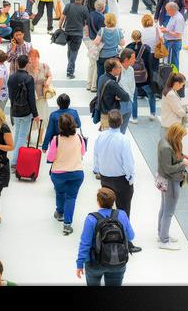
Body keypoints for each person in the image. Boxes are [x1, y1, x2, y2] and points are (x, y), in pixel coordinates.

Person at [93, 110, 141, 253]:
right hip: (121, 181)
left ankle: (105, 237)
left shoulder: (100, 137)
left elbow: (96, 157)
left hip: (105, 179)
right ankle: (126, 242)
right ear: (120, 122)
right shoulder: (123, 140)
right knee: (124, 211)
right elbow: (128, 163)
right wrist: (130, 178)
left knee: (107, 210)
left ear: (108, 121)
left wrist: (97, 171)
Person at [76, 187, 135, 286]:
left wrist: (80, 264)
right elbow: (131, 236)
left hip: (95, 263)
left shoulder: (91, 219)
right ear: (113, 201)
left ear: (98, 201)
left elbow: (85, 244)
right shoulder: (121, 214)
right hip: (118, 261)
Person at [157, 124, 188, 250]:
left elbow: (173, 156)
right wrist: (184, 163)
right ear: (176, 135)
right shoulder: (166, 147)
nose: (181, 139)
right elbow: (168, 168)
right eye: (181, 136)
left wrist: (184, 156)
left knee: (164, 208)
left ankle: (161, 234)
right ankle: (164, 240)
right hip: (170, 181)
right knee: (168, 212)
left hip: (166, 180)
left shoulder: (166, 140)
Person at [46, 114, 85, 235]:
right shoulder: (79, 138)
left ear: (60, 127)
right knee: (71, 197)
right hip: (76, 172)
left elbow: (50, 158)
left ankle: (59, 212)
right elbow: (82, 153)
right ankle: (67, 225)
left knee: (60, 192)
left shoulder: (56, 139)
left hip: (58, 174)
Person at [7, 55, 40, 163]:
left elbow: (10, 96)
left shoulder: (11, 78)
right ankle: (15, 162)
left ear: (17, 64)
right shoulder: (29, 79)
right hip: (26, 112)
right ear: (26, 65)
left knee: (17, 133)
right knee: (22, 136)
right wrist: (35, 114)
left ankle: (14, 156)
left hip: (15, 110)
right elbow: (31, 98)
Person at [126, 31, 156, 123]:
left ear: (131, 37)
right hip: (144, 77)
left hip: (132, 78)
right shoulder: (146, 48)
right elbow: (149, 64)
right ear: (141, 37)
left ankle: (134, 118)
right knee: (151, 95)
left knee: (133, 98)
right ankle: (152, 113)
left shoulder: (128, 48)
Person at [59, 0, 88, 79]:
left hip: (68, 33)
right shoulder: (84, 9)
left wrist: (60, 27)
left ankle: (70, 65)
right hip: (78, 34)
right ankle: (70, 71)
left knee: (70, 50)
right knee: (74, 52)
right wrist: (87, 33)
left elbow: (62, 18)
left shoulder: (68, 6)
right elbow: (87, 23)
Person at [96, 59, 131, 131]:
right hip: (110, 115)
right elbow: (126, 97)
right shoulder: (112, 83)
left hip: (103, 112)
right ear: (113, 69)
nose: (121, 69)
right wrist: (119, 98)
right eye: (119, 67)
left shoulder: (102, 77)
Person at [26, 49, 52, 146]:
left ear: (38, 57)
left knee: (42, 118)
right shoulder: (26, 68)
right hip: (30, 98)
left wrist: (47, 82)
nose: (33, 60)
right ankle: (27, 137)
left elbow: (50, 76)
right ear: (29, 59)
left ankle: (40, 138)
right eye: (31, 58)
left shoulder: (44, 66)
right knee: (29, 119)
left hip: (41, 97)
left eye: (35, 57)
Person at [93, 11, 125, 84]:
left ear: (106, 21)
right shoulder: (118, 31)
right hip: (114, 56)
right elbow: (122, 43)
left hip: (102, 56)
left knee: (100, 74)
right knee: (113, 75)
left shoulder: (102, 30)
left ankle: (99, 90)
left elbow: (96, 42)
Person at [160, 2, 185, 70]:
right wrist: (165, 29)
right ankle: (170, 76)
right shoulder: (173, 16)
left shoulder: (178, 18)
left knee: (174, 62)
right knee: (168, 62)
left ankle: (175, 77)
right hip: (169, 41)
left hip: (174, 43)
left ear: (172, 10)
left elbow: (178, 34)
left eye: (167, 10)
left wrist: (167, 31)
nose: (167, 12)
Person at [117, 48, 136, 133]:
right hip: (119, 103)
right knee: (116, 128)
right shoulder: (117, 69)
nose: (135, 60)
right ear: (126, 59)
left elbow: (132, 85)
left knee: (123, 129)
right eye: (133, 58)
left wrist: (130, 99)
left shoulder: (131, 69)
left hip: (129, 101)